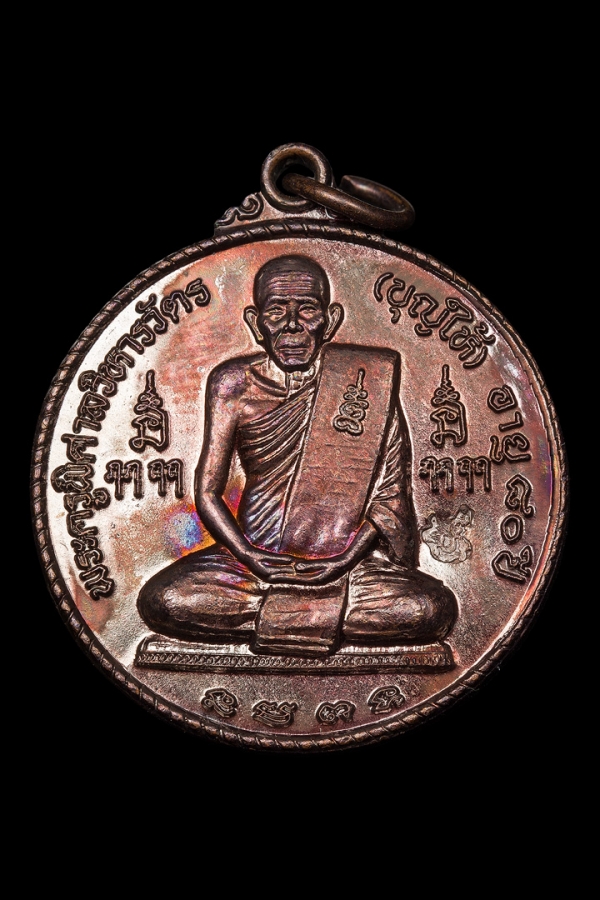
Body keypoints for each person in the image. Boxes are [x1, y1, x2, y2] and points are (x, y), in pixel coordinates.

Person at [137, 255, 457, 656]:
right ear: (256, 323)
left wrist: (342, 562)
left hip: (346, 568)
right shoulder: (232, 384)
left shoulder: (365, 380)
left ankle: (290, 610)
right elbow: (207, 492)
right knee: (165, 599)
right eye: (276, 310)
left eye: (307, 309)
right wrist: (248, 555)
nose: (291, 324)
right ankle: (317, 614)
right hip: (250, 566)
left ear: (330, 321)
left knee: (429, 609)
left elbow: (388, 497)